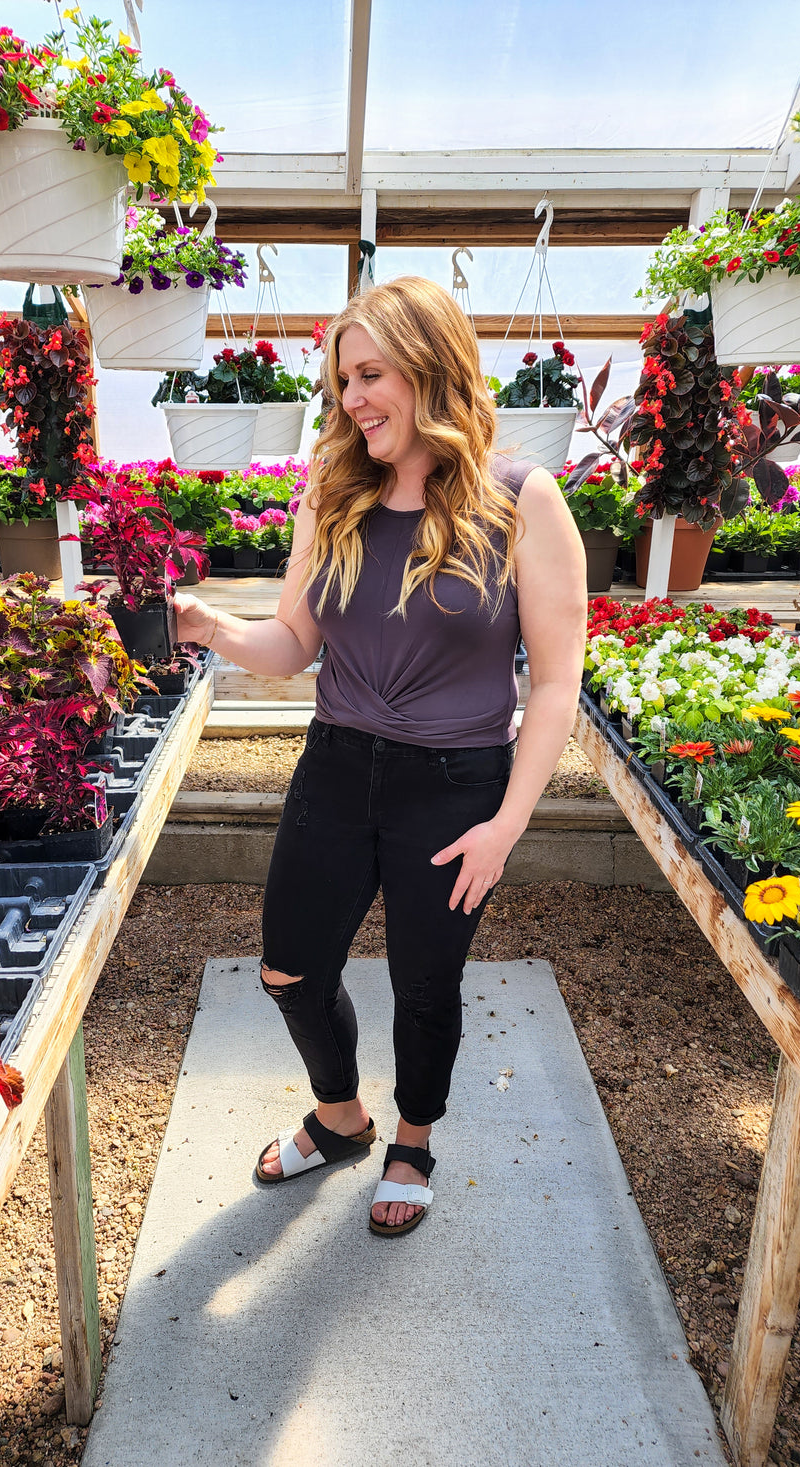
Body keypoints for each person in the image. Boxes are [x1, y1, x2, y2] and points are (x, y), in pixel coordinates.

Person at [172, 276, 586, 1236]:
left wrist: (505, 825)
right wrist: (213, 628)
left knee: (424, 984)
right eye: (342, 380)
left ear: (429, 368)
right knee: (288, 967)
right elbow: (294, 644)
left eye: (370, 374)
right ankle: (340, 1115)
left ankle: (412, 1138)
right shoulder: (333, 492)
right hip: (337, 762)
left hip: (455, 784)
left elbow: (556, 685)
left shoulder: (522, 499)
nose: (353, 399)